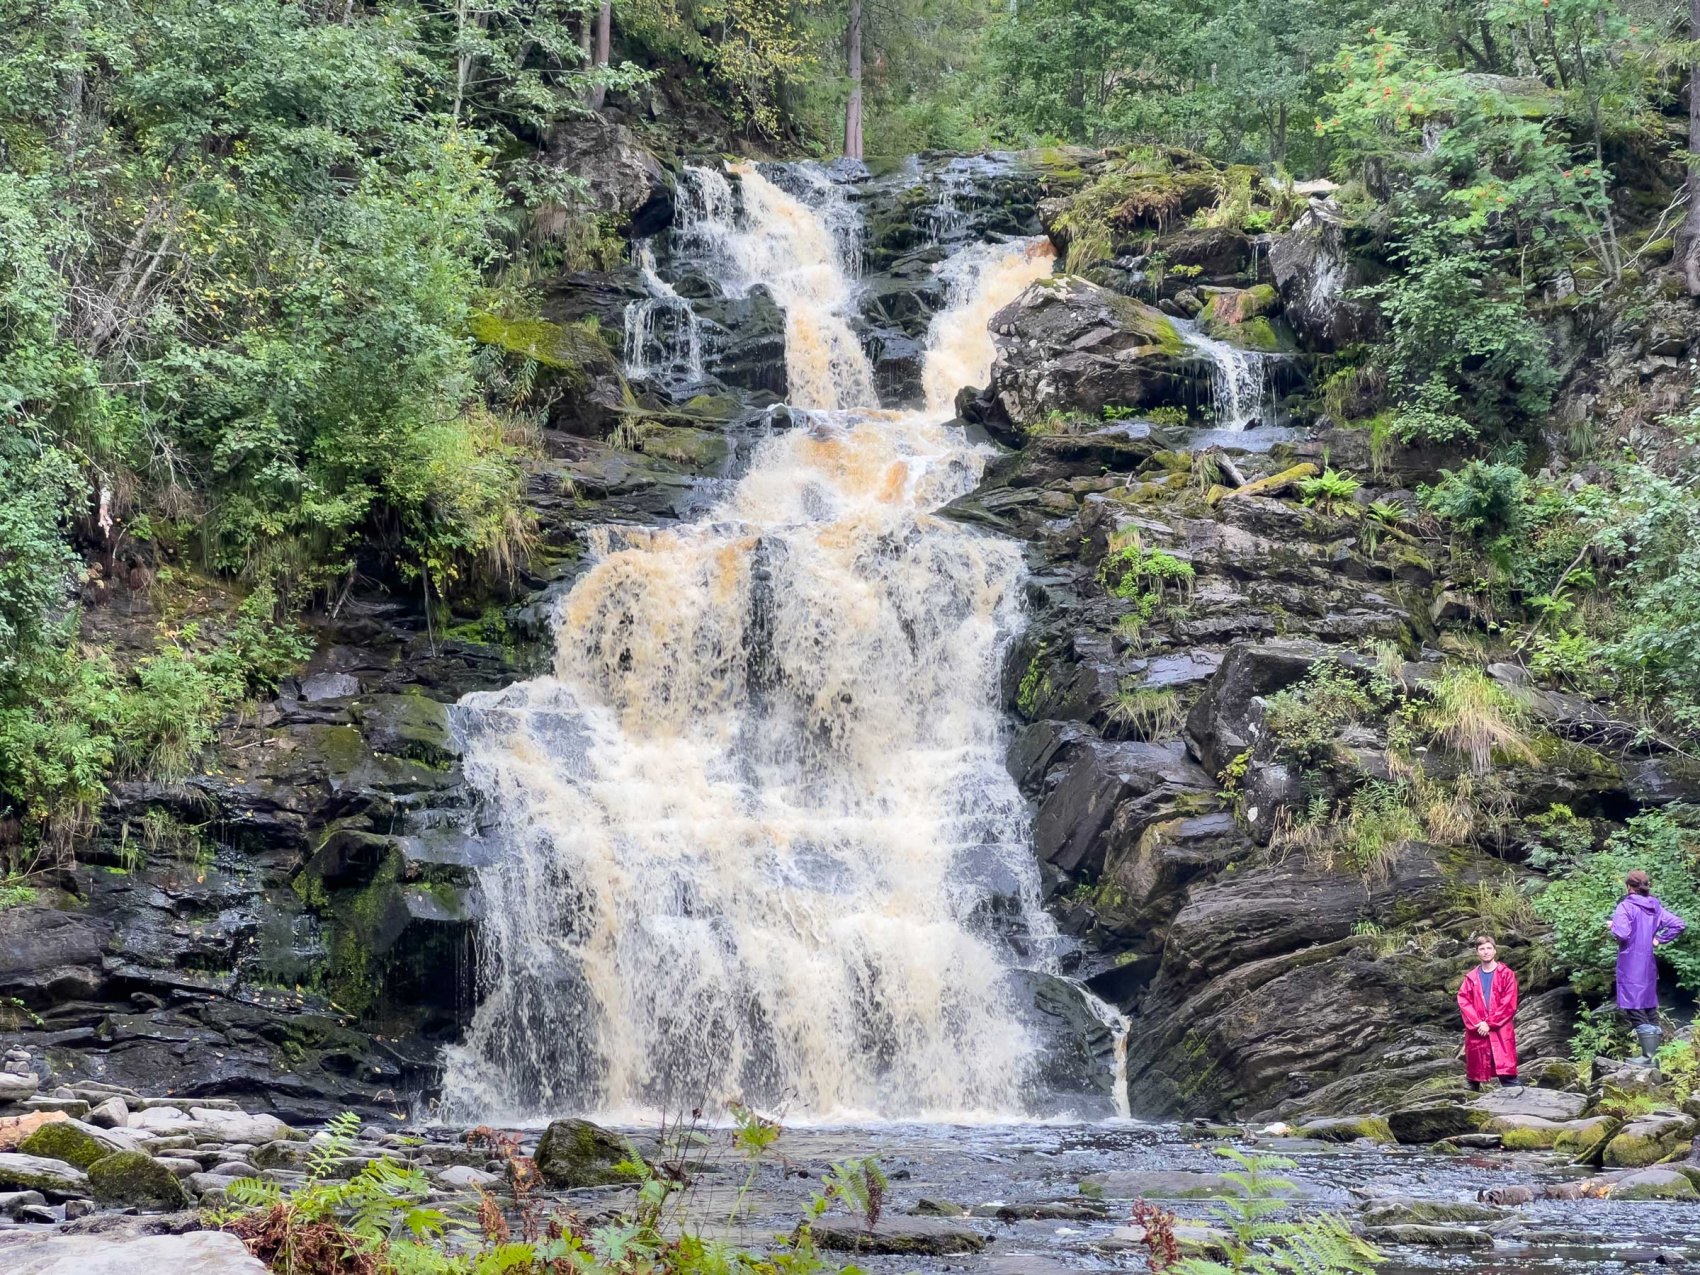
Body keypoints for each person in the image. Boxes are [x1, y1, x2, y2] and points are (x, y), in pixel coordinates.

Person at [1611, 869, 1686, 1064]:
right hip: (1648, 965)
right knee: (1649, 1006)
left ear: (1629, 887)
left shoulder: (1625, 907)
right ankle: (1655, 1057)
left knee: (1634, 1007)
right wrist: (1659, 939)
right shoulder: (1655, 907)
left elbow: (1623, 933)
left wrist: (1613, 925)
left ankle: (1647, 1057)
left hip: (1630, 964)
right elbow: (1678, 924)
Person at [1458, 934, 1519, 1090]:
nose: (1485, 952)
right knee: (1474, 1075)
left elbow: (1508, 1003)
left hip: (1500, 1028)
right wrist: (1478, 1023)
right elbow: (1464, 1000)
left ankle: (1519, 1104)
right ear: (1477, 952)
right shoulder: (1471, 977)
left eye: (1488, 948)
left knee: (1507, 1072)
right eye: (1482, 949)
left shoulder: (1506, 974)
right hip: (1477, 1030)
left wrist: (1490, 1023)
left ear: (1494, 950)